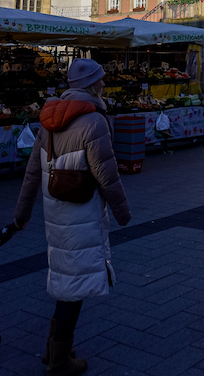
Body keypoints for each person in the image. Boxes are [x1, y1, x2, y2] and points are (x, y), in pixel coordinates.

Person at [13, 58, 131, 375]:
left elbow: (32, 173)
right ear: (91, 85)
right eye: (101, 80)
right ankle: (59, 360)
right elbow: (107, 176)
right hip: (81, 213)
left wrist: (21, 215)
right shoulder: (94, 123)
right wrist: (123, 213)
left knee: (67, 280)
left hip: (55, 212)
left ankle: (53, 349)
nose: (104, 84)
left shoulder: (48, 120)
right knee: (75, 288)